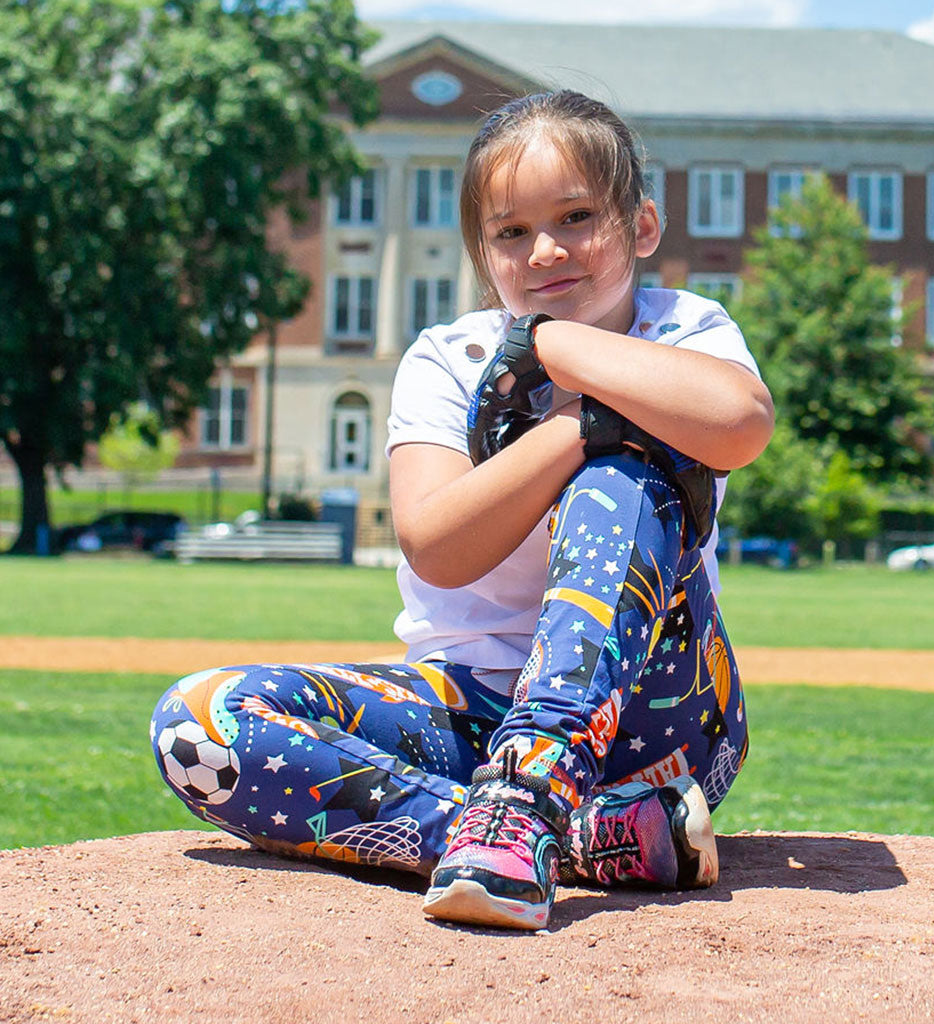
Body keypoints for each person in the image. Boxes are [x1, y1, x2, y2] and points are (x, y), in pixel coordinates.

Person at [150, 90, 774, 932]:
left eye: (578, 216)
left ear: (643, 227)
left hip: (652, 720)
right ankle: (557, 833)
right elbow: (438, 547)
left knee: (623, 477)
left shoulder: (686, 330)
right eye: (511, 231)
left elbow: (738, 424)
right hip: (467, 706)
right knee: (201, 726)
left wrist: (551, 344)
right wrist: (576, 424)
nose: (546, 248)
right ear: (485, 257)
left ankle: (530, 793)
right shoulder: (450, 358)